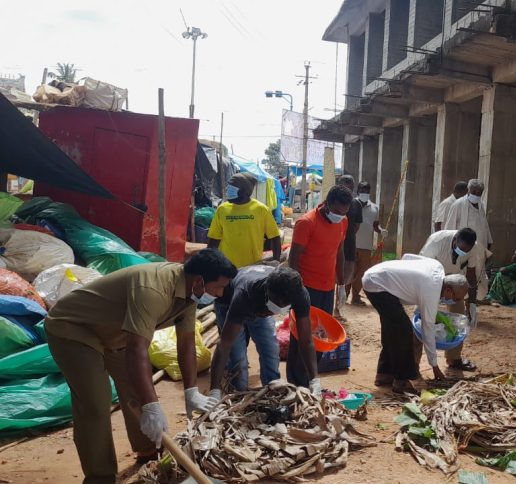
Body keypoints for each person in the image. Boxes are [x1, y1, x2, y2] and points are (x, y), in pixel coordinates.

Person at [44, 249, 236, 482]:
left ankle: (148, 451)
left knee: (137, 390)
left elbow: (185, 343)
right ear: (199, 281)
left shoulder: (190, 294)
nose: (221, 292)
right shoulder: (152, 289)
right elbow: (137, 349)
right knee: (96, 401)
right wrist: (153, 407)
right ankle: (100, 477)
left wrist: (191, 391)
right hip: (74, 329)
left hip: (115, 334)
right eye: (219, 287)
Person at [362, 255, 470, 394]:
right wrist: (434, 366)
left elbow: (407, 256)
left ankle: (384, 374)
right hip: (377, 285)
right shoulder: (432, 291)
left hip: (378, 275)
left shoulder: (437, 266)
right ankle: (402, 380)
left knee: (392, 328)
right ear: (448, 290)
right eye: (455, 298)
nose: (454, 301)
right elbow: (428, 330)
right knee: (404, 330)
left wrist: (402, 278)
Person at [209, 265, 319, 395]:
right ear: (266, 291)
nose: (273, 311)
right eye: (273, 305)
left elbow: (306, 341)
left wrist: (314, 380)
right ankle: (237, 396)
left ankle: (272, 394)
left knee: (271, 350)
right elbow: (225, 344)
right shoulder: (244, 293)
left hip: (258, 306)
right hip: (229, 303)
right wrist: (214, 390)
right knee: (238, 359)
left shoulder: (299, 294)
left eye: (281, 308)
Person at [418, 228, 482, 371]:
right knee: (423, 319)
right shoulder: (436, 241)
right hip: (431, 278)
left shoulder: (474, 248)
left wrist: (472, 303)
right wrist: (430, 296)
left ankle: (454, 358)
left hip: (454, 281)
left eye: (467, 251)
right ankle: (413, 362)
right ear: (454, 240)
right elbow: (422, 268)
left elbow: (471, 275)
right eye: (461, 249)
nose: (463, 253)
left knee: (459, 316)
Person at [288, 185, 351, 314]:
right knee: (302, 330)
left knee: (323, 330)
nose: (340, 216)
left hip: (328, 287)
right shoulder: (307, 223)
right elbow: (293, 259)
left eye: (344, 213)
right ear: (326, 204)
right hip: (306, 286)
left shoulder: (343, 221)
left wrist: (341, 284)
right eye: (337, 212)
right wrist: (297, 289)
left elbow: (339, 252)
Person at [208, 172, 282, 268]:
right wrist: (208, 262)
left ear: (245, 192)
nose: (228, 190)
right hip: (226, 267)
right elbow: (214, 239)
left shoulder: (261, 209)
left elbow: (275, 237)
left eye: (232, 188)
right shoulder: (222, 209)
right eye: (229, 187)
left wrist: (276, 261)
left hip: (253, 266)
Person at [444, 178, 493, 299]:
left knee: (477, 277)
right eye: (474, 191)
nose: (476, 194)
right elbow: (449, 227)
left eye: (479, 193)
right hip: (462, 249)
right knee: (462, 278)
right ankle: (460, 302)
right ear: (468, 190)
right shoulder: (458, 205)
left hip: (479, 249)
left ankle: (471, 304)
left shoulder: (481, 206)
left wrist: (489, 244)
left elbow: (484, 226)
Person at [347, 181, 386, 305]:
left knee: (361, 273)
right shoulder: (351, 204)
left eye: (367, 191)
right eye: (363, 190)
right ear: (358, 191)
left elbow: (375, 226)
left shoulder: (374, 208)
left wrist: (381, 230)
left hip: (366, 246)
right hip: (351, 244)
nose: (365, 193)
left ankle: (355, 297)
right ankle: (344, 296)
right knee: (349, 271)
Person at [334, 175, 363, 319]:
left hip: (349, 246)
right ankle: (330, 309)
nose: (348, 187)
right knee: (330, 278)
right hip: (333, 246)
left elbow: (356, 225)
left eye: (350, 185)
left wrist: (347, 236)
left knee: (344, 279)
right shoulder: (332, 201)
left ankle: (337, 309)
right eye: (345, 184)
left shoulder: (356, 204)